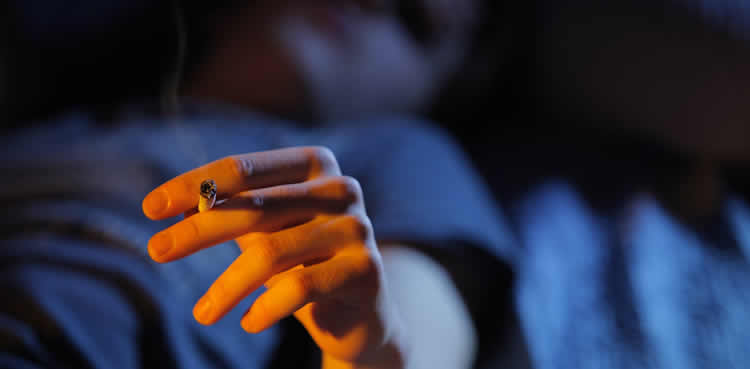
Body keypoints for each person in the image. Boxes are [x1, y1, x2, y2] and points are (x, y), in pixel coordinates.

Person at [0, 1, 514, 369]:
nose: (372, 5)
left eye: (414, 19)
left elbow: (417, 333)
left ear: (435, 94)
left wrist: (369, 349)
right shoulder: (55, 116)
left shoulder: (399, 156)